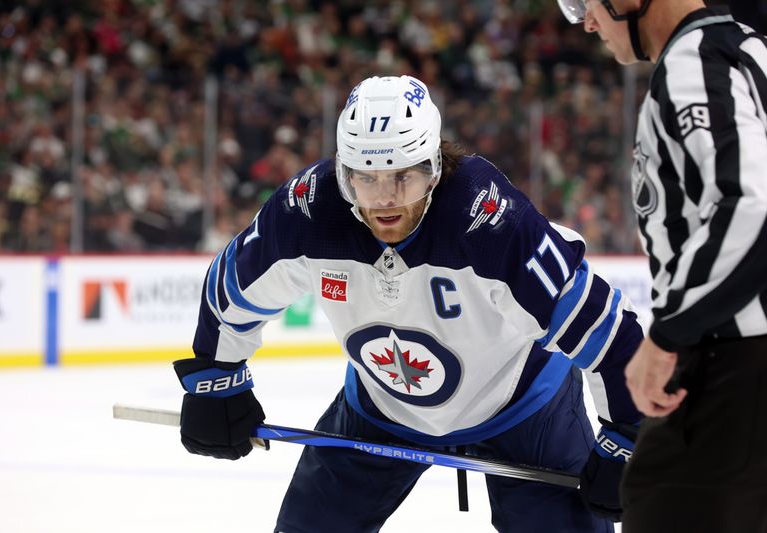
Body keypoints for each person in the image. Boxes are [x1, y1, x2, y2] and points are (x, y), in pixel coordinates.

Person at [173, 75, 644, 532]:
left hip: (524, 406)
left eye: (405, 177)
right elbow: (232, 288)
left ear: (435, 166)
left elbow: (607, 329)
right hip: (382, 407)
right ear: (343, 172)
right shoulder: (310, 211)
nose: (384, 200)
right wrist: (217, 379)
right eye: (365, 178)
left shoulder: (488, 220)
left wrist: (629, 435)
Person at [557, 1, 767, 531]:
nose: (585, 22)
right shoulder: (747, 50)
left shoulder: (697, 63)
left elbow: (748, 205)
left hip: (732, 370)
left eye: (587, 4)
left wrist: (668, 337)